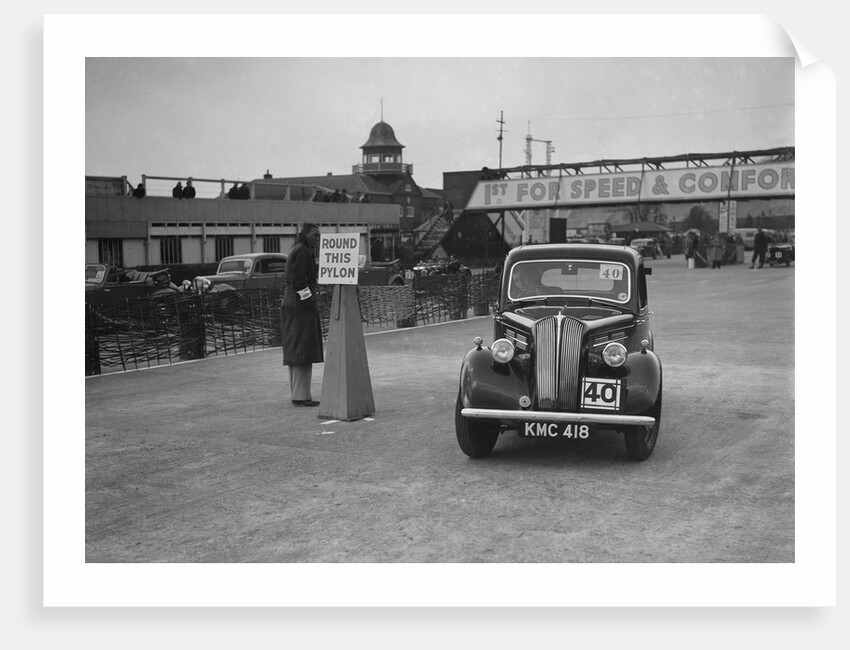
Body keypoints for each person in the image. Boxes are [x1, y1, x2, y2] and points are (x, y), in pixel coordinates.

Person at [281, 223, 323, 407]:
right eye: (315, 235)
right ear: (305, 235)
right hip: (299, 307)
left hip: (292, 304)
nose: (318, 238)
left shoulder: (299, 249)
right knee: (302, 350)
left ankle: (298, 393)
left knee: (296, 349)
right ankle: (301, 395)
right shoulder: (303, 252)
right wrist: (310, 302)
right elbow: (299, 282)